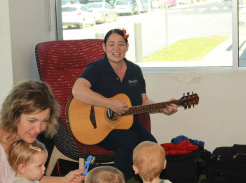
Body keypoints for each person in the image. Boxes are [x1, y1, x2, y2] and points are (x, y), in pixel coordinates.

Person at [72, 28, 178, 181]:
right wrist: (110, 104)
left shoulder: (135, 70)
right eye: (111, 44)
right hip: (99, 128)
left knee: (152, 146)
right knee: (128, 140)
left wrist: (162, 107)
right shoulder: (96, 68)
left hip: (129, 123)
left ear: (127, 47)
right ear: (104, 47)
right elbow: (77, 90)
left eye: (121, 44)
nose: (116, 48)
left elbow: (143, 101)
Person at [0, 80, 85, 183]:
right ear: (14, 115)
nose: (38, 129)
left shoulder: (17, 132)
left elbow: (23, 178)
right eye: (32, 121)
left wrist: (64, 180)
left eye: (45, 121)